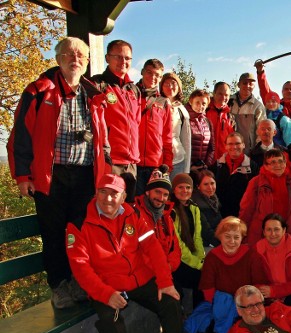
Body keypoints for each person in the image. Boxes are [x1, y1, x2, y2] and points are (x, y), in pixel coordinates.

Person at [66, 174, 196, 333]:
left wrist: (165, 282)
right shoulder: (78, 224)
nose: (108, 198)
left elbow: (152, 248)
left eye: (114, 193)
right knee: (110, 321)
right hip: (106, 285)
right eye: (103, 192)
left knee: (171, 302)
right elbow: (80, 268)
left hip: (139, 279)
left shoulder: (132, 214)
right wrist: (105, 294)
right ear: (95, 193)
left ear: (123, 196)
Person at [8, 36, 109, 309]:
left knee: (79, 233)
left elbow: (103, 140)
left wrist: (105, 177)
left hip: (85, 175)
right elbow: (20, 136)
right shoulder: (39, 91)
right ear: (58, 59)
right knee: (53, 234)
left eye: (80, 55)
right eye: (68, 54)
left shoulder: (94, 95)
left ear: (87, 62)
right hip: (50, 176)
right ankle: (59, 286)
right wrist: (22, 177)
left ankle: (77, 282)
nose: (74, 59)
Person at [91, 39, 141, 178]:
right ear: (107, 58)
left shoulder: (134, 90)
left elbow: (136, 123)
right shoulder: (98, 85)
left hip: (131, 163)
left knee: (128, 200)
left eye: (127, 58)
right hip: (110, 161)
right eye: (118, 57)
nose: (123, 61)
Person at [240, 148, 291, 244]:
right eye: (273, 162)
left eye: (281, 161)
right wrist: (242, 231)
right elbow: (247, 209)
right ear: (265, 165)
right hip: (261, 234)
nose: (278, 165)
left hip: (288, 234)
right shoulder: (256, 182)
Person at [171, 173, 212, 310]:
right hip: (176, 260)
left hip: (190, 257)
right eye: (180, 187)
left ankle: (201, 315)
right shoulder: (171, 211)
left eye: (188, 187)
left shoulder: (194, 208)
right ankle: (198, 316)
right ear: (174, 189)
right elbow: (177, 243)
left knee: (207, 274)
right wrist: (195, 263)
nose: (185, 191)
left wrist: (200, 259)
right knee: (201, 279)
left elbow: (197, 238)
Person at [253, 214, 291, 310]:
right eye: (269, 230)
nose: (273, 234)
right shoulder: (257, 250)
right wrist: (268, 294)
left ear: (284, 230)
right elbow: (254, 279)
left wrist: (275, 291)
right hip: (268, 296)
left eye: (276, 229)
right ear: (263, 232)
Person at [133, 165, 181, 273]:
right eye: (157, 192)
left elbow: (175, 249)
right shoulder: (134, 214)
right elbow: (135, 251)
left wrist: (169, 266)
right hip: (142, 273)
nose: (161, 198)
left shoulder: (167, 216)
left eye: (165, 195)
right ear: (147, 192)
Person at [135, 59, 173, 195]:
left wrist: (167, 164)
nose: (153, 77)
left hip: (156, 165)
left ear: (160, 78)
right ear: (142, 72)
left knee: (154, 204)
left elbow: (168, 136)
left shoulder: (163, 102)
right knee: (134, 205)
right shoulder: (131, 95)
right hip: (134, 163)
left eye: (157, 75)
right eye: (149, 73)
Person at [255, 60, 291, 135]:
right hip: (277, 145)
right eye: (286, 89)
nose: (289, 91)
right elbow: (264, 90)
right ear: (282, 91)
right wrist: (260, 72)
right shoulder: (275, 105)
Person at [214, 132, 258, 217]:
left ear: (243, 145)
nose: (234, 147)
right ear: (226, 146)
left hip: (243, 213)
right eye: (230, 144)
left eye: (237, 143)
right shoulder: (217, 165)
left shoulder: (252, 167)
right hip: (220, 213)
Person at [160, 72, 191, 179]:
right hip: (158, 160)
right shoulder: (155, 104)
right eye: (166, 84)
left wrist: (186, 168)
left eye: (173, 83)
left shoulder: (182, 110)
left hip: (178, 160)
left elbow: (186, 140)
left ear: (179, 87)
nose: (170, 87)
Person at [228, 72, 266, 153]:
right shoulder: (228, 101)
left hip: (249, 152)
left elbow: (261, 130)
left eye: (251, 84)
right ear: (238, 85)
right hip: (229, 150)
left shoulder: (258, 106)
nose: (248, 86)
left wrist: (257, 150)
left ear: (254, 86)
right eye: (244, 83)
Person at [190, 170, 222, 246]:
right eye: (206, 184)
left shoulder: (214, 200)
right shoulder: (197, 205)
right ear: (198, 187)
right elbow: (206, 231)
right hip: (204, 245)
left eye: (212, 183)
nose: (210, 187)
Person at [206, 81, 235, 162]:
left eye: (226, 95)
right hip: (205, 160)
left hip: (224, 160)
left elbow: (232, 141)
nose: (223, 97)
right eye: (220, 94)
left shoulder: (230, 116)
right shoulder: (204, 110)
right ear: (214, 93)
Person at [186, 89, 214, 169]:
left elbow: (212, 147)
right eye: (197, 102)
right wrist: (190, 165)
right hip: (187, 167)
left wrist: (206, 164)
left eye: (204, 103)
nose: (200, 106)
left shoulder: (207, 122)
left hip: (203, 167)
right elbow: (181, 146)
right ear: (191, 102)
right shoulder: (184, 120)